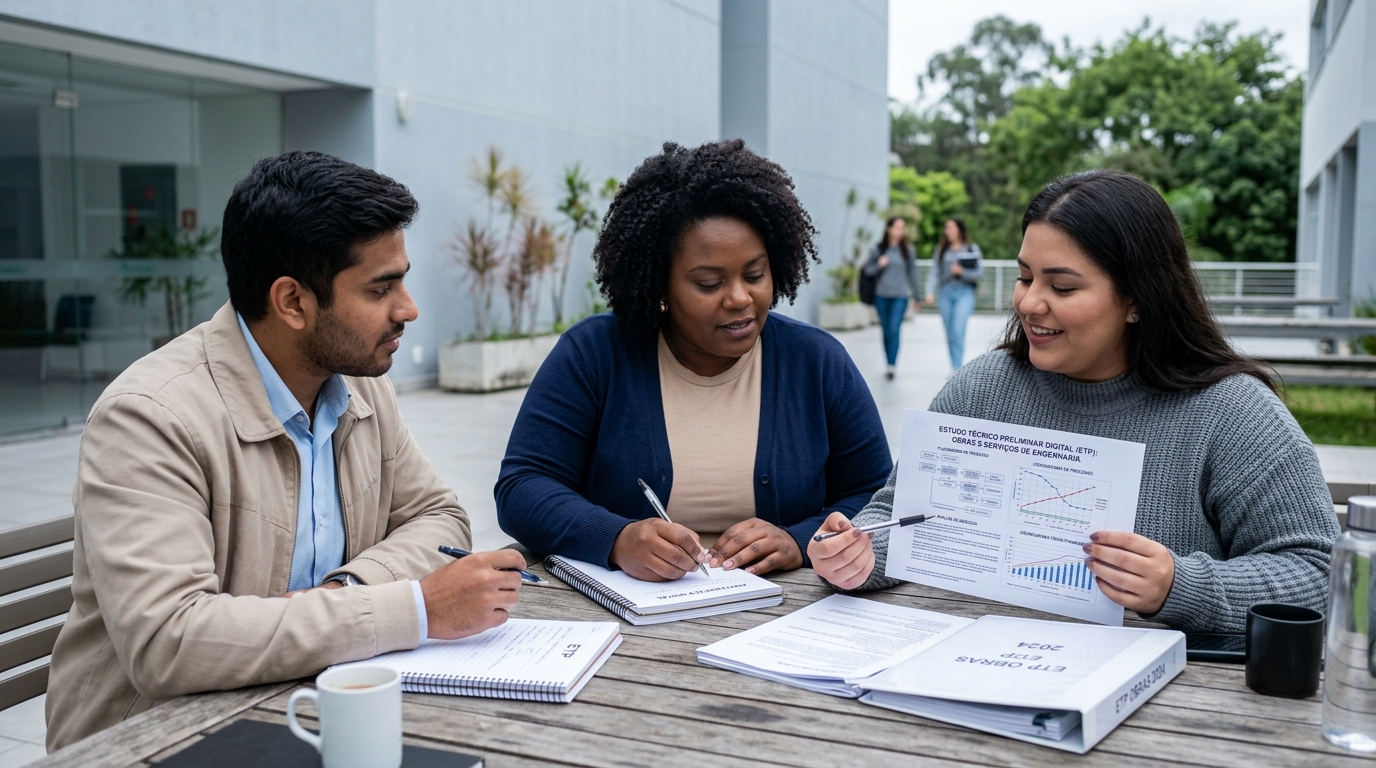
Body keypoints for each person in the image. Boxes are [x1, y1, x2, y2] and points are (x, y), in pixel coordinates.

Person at [46, 152, 527, 750]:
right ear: (293, 302)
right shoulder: (150, 416)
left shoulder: (361, 387)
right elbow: (168, 641)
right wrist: (412, 608)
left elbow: (439, 518)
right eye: (382, 288)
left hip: (303, 707)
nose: (408, 308)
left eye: (401, 279)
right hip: (157, 741)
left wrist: (345, 596)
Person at [809, 169, 1339, 634]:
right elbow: (897, 519)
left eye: (1061, 287)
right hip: (966, 665)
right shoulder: (980, 389)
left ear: (1136, 299)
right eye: (1024, 277)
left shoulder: (1233, 414)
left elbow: (1322, 573)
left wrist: (1180, 585)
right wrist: (856, 554)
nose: (1029, 302)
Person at [496, 140, 893, 581]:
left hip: (786, 612)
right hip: (628, 616)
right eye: (709, 283)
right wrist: (617, 538)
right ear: (659, 286)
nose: (741, 298)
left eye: (756, 275)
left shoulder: (817, 362)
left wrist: (799, 540)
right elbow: (523, 486)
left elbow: (876, 493)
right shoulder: (594, 354)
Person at [861, 217, 921, 379]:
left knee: (894, 329)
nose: (900, 231)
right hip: (881, 296)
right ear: (889, 229)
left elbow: (912, 273)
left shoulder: (908, 250)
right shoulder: (878, 249)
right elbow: (867, 271)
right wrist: (879, 264)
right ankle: (888, 362)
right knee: (886, 331)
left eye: (903, 228)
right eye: (897, 227)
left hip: (900, 296)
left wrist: (917, 296)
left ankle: (892, 365)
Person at [923, 218, 983, 370]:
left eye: (951, 228)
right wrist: (929, 291)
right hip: (945, 292)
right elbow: (934, 272)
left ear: (959, 230)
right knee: (950, 332)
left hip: (964, 292)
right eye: (946, 228)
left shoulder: (971, 249)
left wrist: (961, 271)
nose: (947, 231)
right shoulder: (941, 249)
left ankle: (957, 367)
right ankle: (954, 365)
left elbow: (979, 274)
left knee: (958, 329)